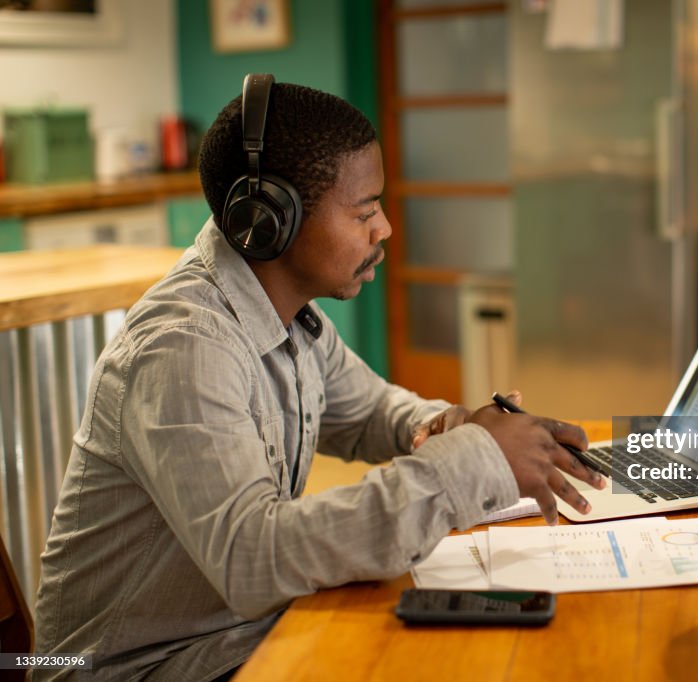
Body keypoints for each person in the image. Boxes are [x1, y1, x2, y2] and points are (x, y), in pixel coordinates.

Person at [32, 76, 604, 681]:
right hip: (133, 668)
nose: (383, 229)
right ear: (269, 220)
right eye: (364, 211)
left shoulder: (288, 319)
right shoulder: (184, 348)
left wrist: (445, 426)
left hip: (231, 637)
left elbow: (369, 411)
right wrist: (472, 461)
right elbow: (253, 557)